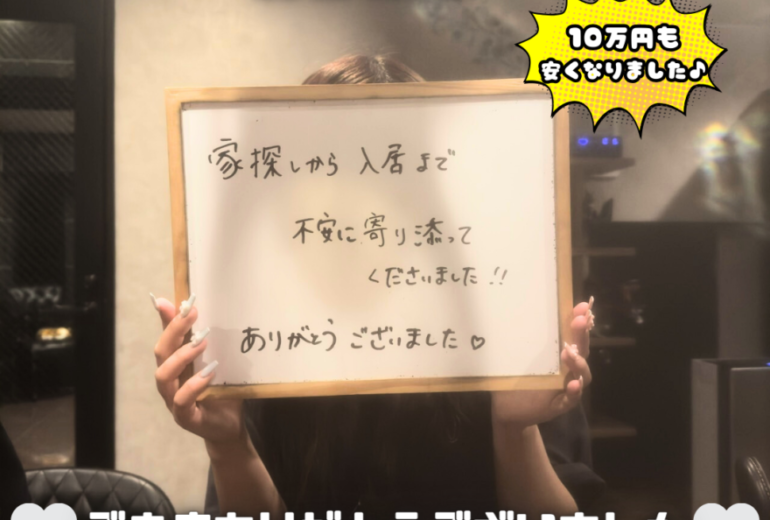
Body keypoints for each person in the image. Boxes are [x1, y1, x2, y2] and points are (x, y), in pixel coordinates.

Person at [152, 55, 602, 518]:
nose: (346, 214)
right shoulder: (259, 347)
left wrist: (514, 430)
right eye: (318, 170)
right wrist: (228, 445)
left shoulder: (509, 336)